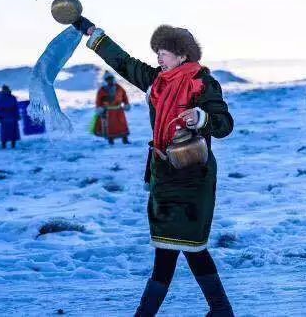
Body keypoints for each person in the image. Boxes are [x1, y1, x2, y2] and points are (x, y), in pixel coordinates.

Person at [74, 18, 234, 317]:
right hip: (164, 174)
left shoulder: (203, 83)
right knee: (185, 246)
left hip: (192, 176)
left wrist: (201, 118)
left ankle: (147, 314)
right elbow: (123, 62)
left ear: (182, 55)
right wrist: (92, 33)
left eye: (164, 51)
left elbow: (224, 124)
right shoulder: (156, 81)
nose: (158, 56)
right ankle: (221, 310)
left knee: (174, 248)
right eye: (157, 51)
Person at [94, 71, 131, 145]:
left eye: (111, 78)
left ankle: (125, 139)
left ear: (113, 78)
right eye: (108, 79)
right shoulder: (102, 89)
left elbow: (124, 96)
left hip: (119, 110)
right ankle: (111, 140)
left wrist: (126, 104)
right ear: (105, 80)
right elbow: (98, 100)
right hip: (109, 111)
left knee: (122, 125)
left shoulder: (119, 87)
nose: (110, 80)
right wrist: (100, 109)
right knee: (111, 126)